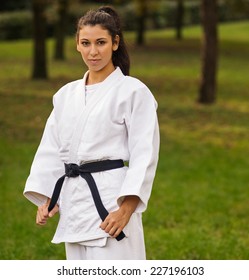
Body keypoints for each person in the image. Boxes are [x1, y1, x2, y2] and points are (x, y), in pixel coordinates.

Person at [23, 5, 159, 260]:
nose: (93, 51)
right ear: (76, 44)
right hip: (74, 204)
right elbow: (51, 149)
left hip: (111, 205)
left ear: (115, 43)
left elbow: (145, 153)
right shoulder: (65, 95)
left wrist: (126, 209)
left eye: (101, 42)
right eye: (85, 43)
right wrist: (49, 198)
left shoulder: (133, 92)